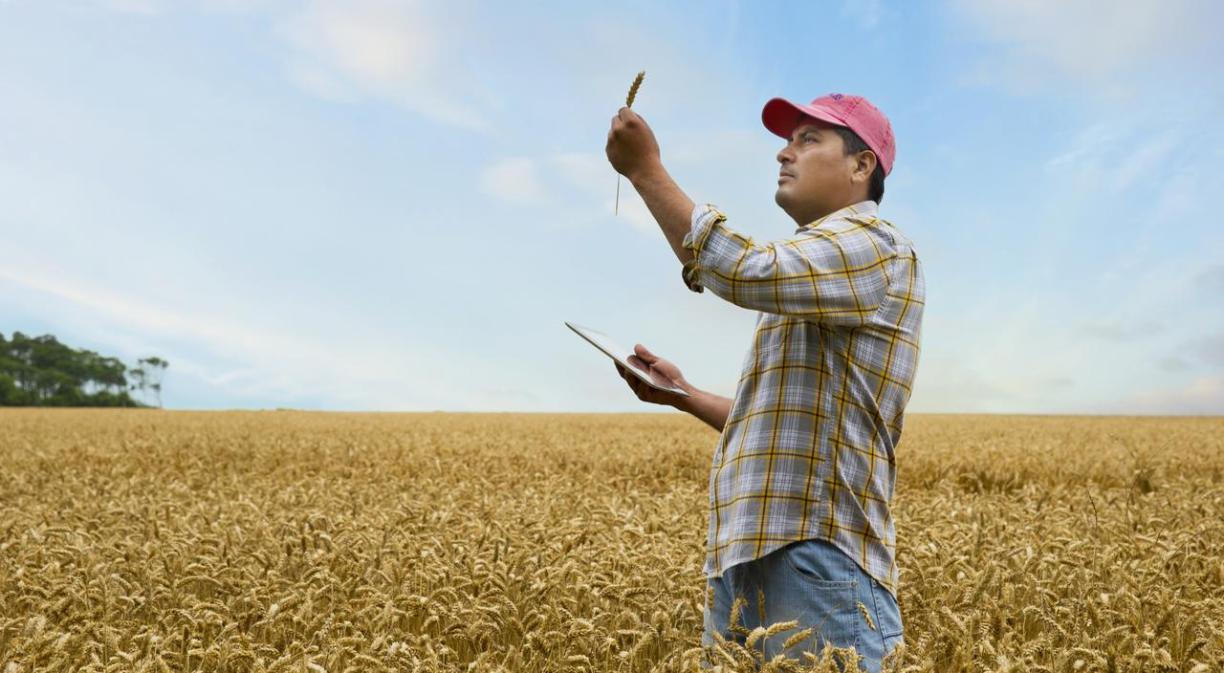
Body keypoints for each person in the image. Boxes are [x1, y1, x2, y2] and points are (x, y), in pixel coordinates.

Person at [605, 93, 924, 672]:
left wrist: (646, 171)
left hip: (818, 559)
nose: (784, 152)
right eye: (788, 139)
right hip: (748, 560)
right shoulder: (818, 274)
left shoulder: (872, 246)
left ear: (861, 165)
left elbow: (743, 268)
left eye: (808, 139)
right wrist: (685, 395)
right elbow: (782, 423)